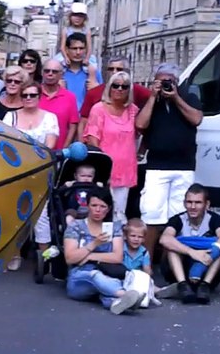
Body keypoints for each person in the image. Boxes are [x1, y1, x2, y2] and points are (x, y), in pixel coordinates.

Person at [135, 63, 203, 259]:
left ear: (177, 82)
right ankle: (146, 264)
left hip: (184, 166)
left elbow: (196, 119)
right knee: (151, 215)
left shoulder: (189, 98)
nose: (165, 85)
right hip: (157, 166)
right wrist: (152, 98)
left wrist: (175, 98)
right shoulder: (151, 102)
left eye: (169, 81)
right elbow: (140, 124)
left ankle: (171, 263)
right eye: (161, 81)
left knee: (180, 217)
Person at [3, 81, 59, 269]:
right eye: (25, 95)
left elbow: (50, 145)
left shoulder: (50, 118)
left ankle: (44, 256)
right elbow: (4, 144)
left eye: (32, 95)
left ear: (39, 97)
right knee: (14, 214)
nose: (28, 99)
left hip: (40, 171)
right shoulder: (10, 117)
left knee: (41, 215)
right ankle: (14, 253)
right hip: (15, 172)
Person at [62, 190, 142, 314]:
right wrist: (94, 244)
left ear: (108, 209)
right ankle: (124, 294)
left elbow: (117, 257)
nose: (98, 210)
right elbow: (70, 258)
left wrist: (89, 257)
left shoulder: (114, 227)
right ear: (87, 206)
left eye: (102, 206)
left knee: (106, 290)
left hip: (108, 274)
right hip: (80, 278)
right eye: (94, 205)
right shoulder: (75, 226)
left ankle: (117, 302)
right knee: (94, 275)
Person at [158, 184, 220, 304]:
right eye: (189, 202)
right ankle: (183, 286)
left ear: (206, 205)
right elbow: (164, 239)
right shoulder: (177, 219)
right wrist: (193, 253)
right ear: (184, 203)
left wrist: (204, 259)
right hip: (180, 269)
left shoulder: (215, 219)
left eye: (198, 202)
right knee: (171, 247)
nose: (192, 207)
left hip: (206, 269)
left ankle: (204, 286)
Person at [83, 70, 139, 219]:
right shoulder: (98, 109)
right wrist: (102, 168)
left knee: (119, 213)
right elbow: (92, 139)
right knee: (100, 211)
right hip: (105, 169)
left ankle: (117, 241)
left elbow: (141, 132)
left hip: (125, 168)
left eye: (124, 86)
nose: (119, 89)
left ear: (129, 90)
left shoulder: (133, 110)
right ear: (109, 87)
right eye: (116, 85)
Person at [78, 55, 149, 141]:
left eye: (119, 69)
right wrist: (81, 144)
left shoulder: (136, 90)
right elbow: (83, 121)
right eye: (111, 69)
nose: (114, 72)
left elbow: (153, 99)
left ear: (127, 72)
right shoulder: (94, 93)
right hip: (99, 141)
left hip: (127, 141)